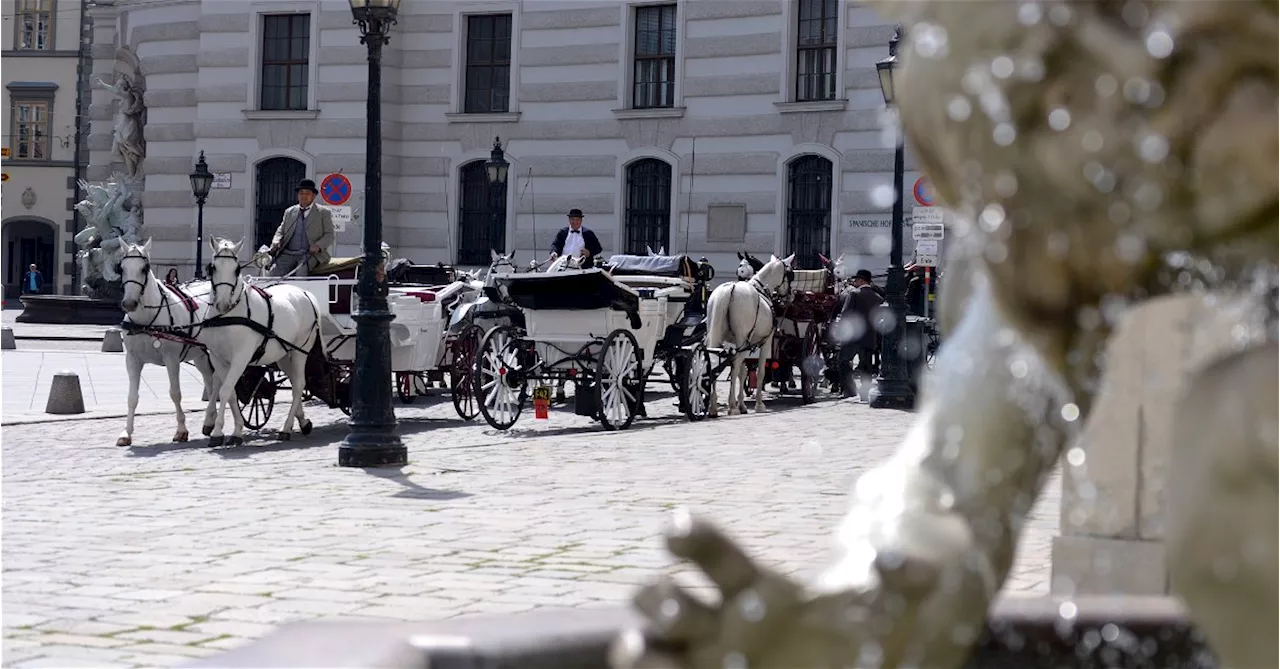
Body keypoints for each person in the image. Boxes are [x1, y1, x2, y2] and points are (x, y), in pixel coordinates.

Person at [268, 179, 335, 277]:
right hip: (288, 253)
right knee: (273, 273)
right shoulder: (289, 212)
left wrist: (318, 245)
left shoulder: (323, 212)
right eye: (301, 193)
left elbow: (330, 235)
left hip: (309, 254)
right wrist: (276, 241)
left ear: (313, 196)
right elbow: (281, 230)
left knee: (300, 273)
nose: (303, 196)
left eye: (307, 193)